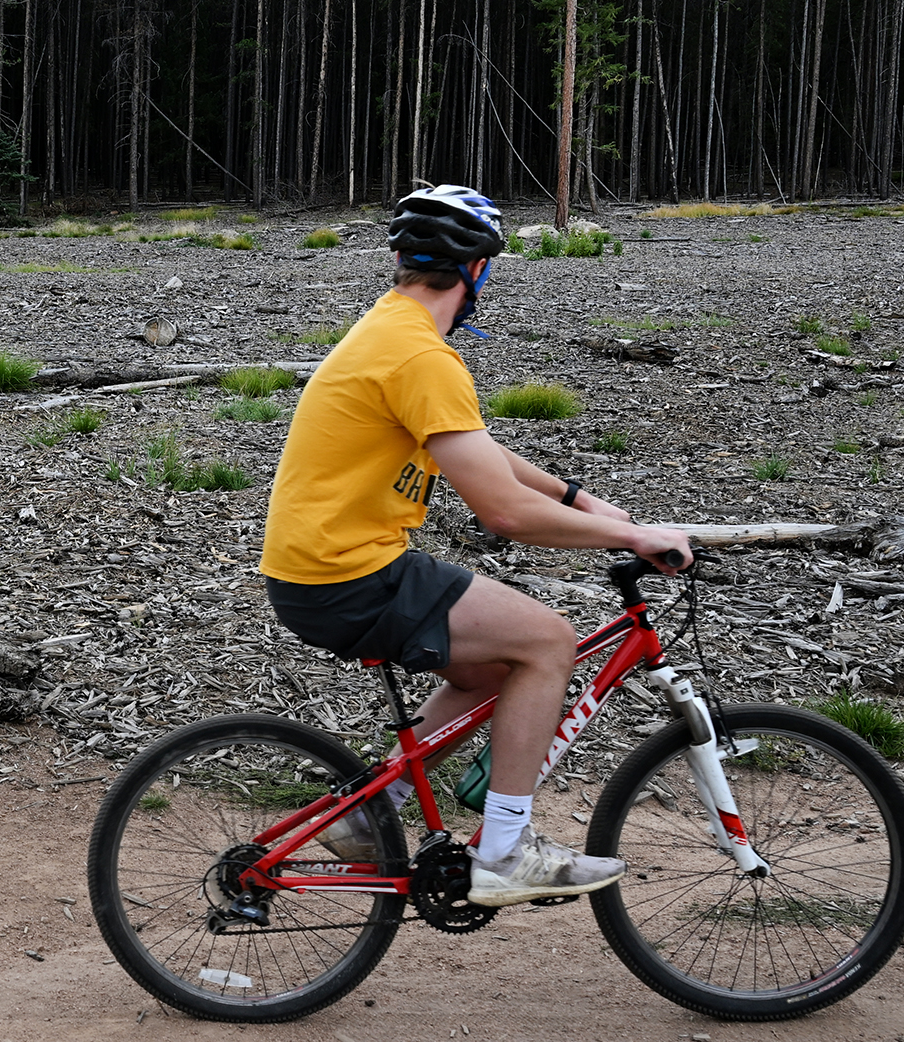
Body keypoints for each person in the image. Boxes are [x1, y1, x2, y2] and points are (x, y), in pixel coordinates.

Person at [256, 185, 695, 906]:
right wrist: (628, 535)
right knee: (549, 643)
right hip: (350, 573)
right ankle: (507, 850)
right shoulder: (420, 357)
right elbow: (503, 512)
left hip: (324, 569)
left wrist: (590, 505)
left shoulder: (392, 332)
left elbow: (483, 456)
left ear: (402, 262)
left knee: (498, 668)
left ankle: (370, 810)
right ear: (478, 271)